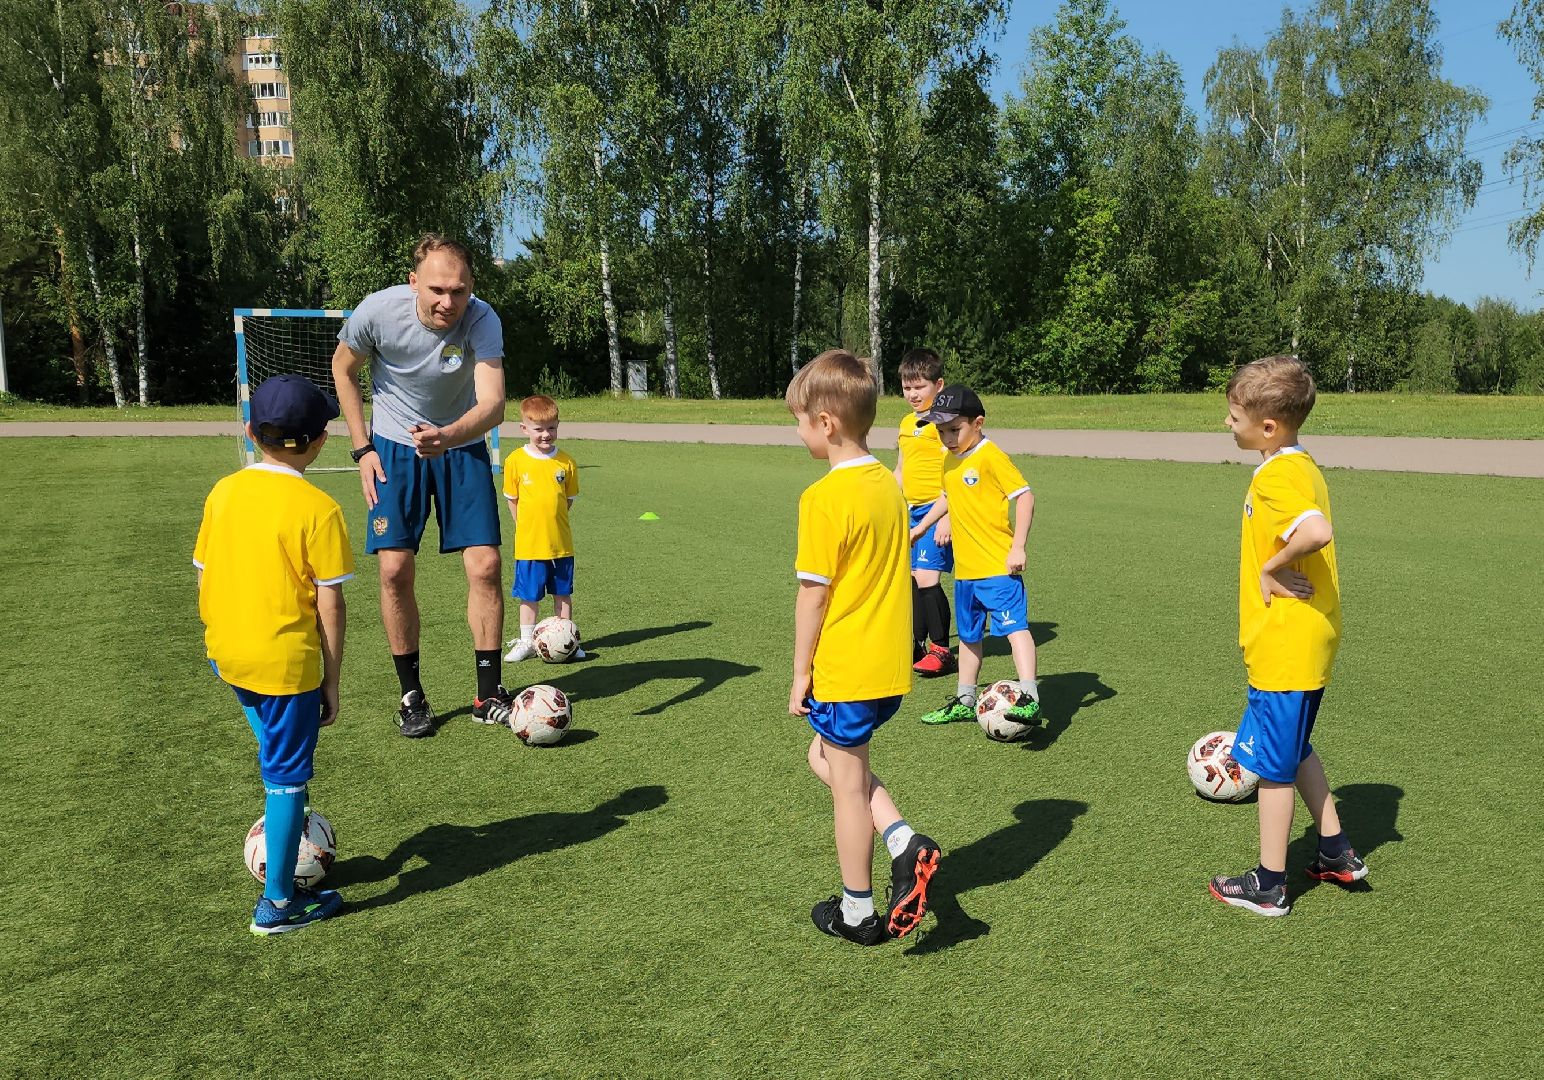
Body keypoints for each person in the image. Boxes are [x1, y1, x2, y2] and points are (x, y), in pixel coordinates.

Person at [331, 233, 516, 738]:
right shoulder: (377, 312)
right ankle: (411, 696)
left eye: (458, 290)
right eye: (436, 289)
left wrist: (449, 436)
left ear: (471, 287)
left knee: (487, 565)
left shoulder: (483, 319)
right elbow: (342, 369)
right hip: (392, 446)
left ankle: (488, 694)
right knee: (393, 570)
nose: (447, 302)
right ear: (414, 282)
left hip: (459, 443)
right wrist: (362, 448)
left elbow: (493, 403)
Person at [787, 349, 941, 946]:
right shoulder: (887, 485)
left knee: (847, 789)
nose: (797, 433)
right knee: (822, 761)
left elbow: (813, 597)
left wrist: (801, 672)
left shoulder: (823, 498)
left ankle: (857, 911)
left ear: (825, 422)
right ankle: (904, 842)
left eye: (799, 421)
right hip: (887, 668)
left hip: (846, 665)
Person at [1209, 355, 1367, 916]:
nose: (1227, 424)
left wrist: (1271, 568)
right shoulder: (1299, 464)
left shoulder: (1277, 475)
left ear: (1267, 426)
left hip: (1285, 639)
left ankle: (1269, 883)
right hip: (1311, 635)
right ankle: (1335, 851)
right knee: (1294, 747)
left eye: (1233, 417)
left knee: (1272, 767)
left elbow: (1316, 531)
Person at [194, 374, 351, 934]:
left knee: (277, 751)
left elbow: (204, 574)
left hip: (227, 652)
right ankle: (279, 904)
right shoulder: (320, 508)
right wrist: (330, 682)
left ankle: (289, 824)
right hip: (284, 665)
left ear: (249, 432)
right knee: (286, 777)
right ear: (320, 440)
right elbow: (330, 606)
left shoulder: (223, 491)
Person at [910, 386, 1042, 728]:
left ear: (978, 423)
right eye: (941, 431)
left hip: (997, 566)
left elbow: (1025, 497)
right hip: (966, 571)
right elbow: (947, 497)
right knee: (969, 639)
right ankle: (966, 699)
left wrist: (1018, 546)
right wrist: (921, 528)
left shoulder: (989, 455)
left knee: (1016, 630)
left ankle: (1029, 695)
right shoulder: (950, 459)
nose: (948, 438)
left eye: (955, 429)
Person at [501, 394, 586, 662]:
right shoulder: (516, 460)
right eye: (538, 429)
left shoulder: (566, 462)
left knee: (563, 594)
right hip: (529, 545)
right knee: (529, 596)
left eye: (551, 428)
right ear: (524, 429)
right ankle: (526, 642)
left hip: (561, 544)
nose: (546, 434)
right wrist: (524, 527)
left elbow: (567, 501)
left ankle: (567, 641)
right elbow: (512, 500)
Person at [894, 348, 956, 677]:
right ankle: (917, 645)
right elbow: (902, 468)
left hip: (938, 509)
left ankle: (943, 651)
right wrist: (889, 498)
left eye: (919, 387)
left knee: (929, 579)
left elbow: (955, 468)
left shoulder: (946, 422)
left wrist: (946, 515)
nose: (913, 394)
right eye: (907, 388)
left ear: (938, 385)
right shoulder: (906, 423)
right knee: (915, 579)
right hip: (911, 510)